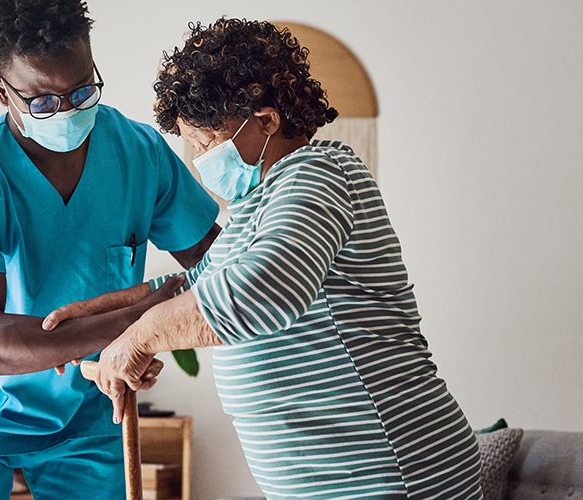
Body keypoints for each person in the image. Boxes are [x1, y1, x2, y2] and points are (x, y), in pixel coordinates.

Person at [45, 18, 484, 500]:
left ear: (267, 122)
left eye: (208, 143)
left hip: (391, 473)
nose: (199, 161)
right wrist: (97, 316)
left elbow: (262, 289)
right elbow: (191, 286)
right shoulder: (258, 205)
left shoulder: (319, 173)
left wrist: (143, 338)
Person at [0, 1, 219, 499]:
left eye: (81, 91)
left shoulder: (138, 153)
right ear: (0, 89)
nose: (69, 112)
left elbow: (218, 268)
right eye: (43, 102)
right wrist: (140, 320)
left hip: (86, 405)